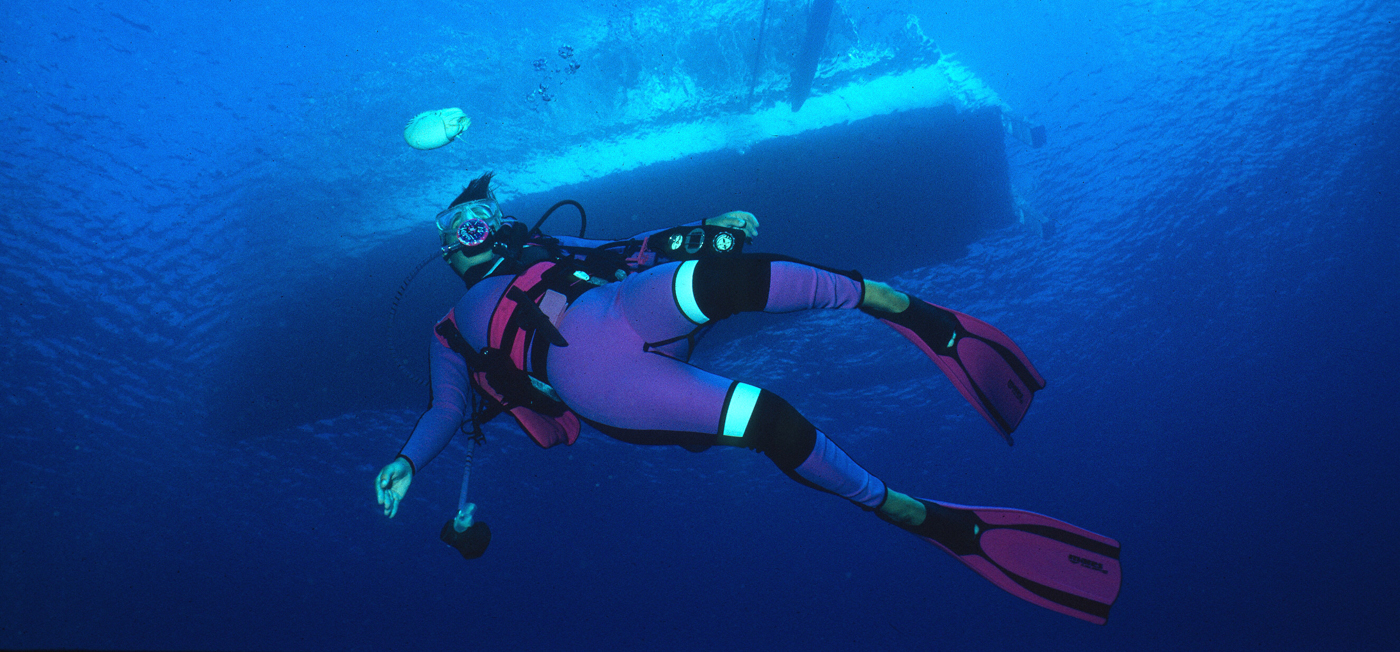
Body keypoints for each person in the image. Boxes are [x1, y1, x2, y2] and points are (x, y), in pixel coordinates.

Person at [376, 172, 1122, 624]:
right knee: (770, 420)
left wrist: (705, 231)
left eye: (485, 215)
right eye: (463, 226)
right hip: (597, 380)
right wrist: (408, 462)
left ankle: (914, 315)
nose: (482, 228)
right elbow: (446, 409)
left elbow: (631, 247)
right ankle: (909, 512)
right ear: (448, 251)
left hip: (624, 308)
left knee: (739, 277)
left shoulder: (551, 251)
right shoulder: (448, 328)